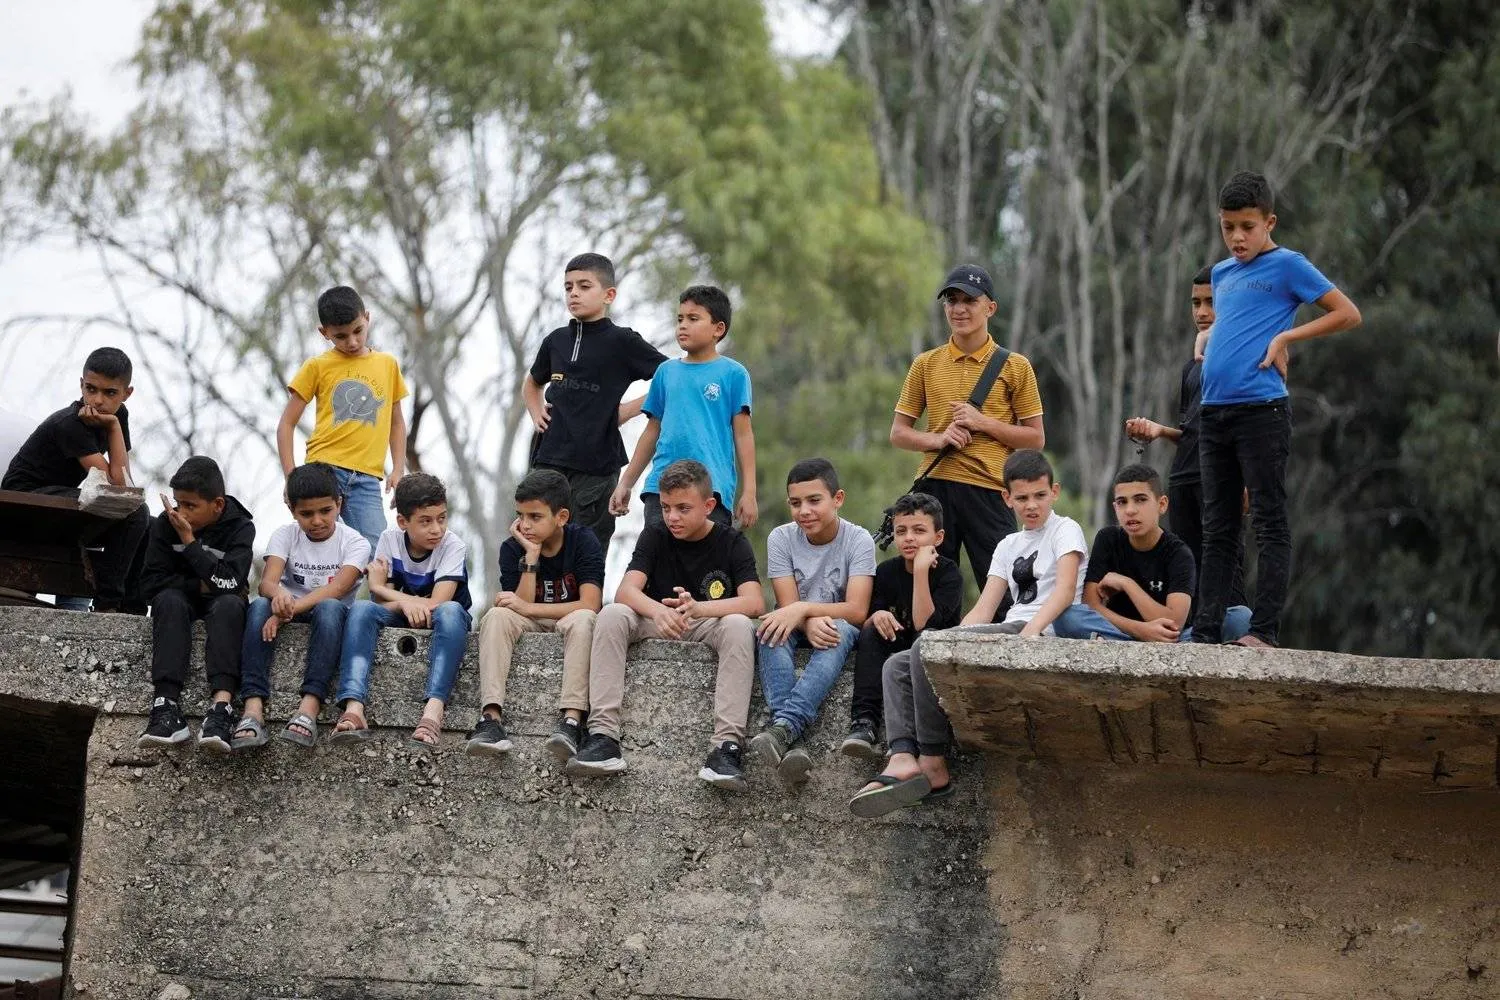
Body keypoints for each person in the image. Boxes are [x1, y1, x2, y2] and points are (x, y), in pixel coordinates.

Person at [1192, 171, 1361, 648]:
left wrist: (1286, 337)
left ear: (1269, 222)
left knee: (1267, 520)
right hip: (1213, 412)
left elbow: (1347, 313)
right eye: (1228, 227)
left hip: (1261, 410)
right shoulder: (1221, 274)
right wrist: (1207, 336)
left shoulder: (1288, 265)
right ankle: (1204, 633)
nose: (1237, 237)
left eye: (1247, 227)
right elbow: (1235, 321)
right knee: (1218, 527)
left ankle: (1263, 631)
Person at [569, 459, 765, 789]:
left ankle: (726, 748)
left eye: (683, 508)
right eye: (665, 507)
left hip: (704, 621)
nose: (672, 517)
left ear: (708, 506)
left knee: (737, 625)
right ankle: (602, 736)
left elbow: (755, 603)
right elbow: (626, 591)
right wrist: (658, 611)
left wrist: (700, 608)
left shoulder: (732, 541)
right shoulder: (656, 533)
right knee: (613, 614)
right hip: (656, 620)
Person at [891, 265, 1045, 588]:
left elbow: (1035, 439)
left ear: (990, 308)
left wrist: (982, 422)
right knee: (931, 588)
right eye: (951, 300)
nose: (959, 309)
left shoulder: (1016, 366)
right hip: (934, 488)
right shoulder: (925, 363)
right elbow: (899, 433)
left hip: (989, 490)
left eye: (969, 300)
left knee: (1004, 590)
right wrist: (939, 439)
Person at [1123, 264, 1254, 612]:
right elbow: (1194, 430)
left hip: (1220, 478)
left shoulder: (1245, 357)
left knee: (1226, 565)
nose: (1202, 312)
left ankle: (1236, 633)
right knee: (1188, 566)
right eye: (1196, 303)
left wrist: (1245, 479)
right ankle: (1194, 633)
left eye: (1212, 302)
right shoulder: (1190, 369)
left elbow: (1246, 428)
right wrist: (1159, 430)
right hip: (1183, 477)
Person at [524, 253, 668, 554]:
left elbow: (671, 376)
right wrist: (536, 412)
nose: (574, 293)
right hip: (548, 461)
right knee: (536, 545)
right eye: (568, 287)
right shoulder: (555, 341)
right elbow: (532, 383)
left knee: (585, 552)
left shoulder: (622, 341)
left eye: (584, 286)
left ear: (608, 295)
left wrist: (628, 411)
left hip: (597, 468)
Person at [749, 458, 876, 789]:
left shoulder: (859, 539)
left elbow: (857, 610)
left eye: (814, 500)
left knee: (840, 629)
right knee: (770, 629)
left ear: (838, 499)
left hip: (838, 627)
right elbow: (786, 606)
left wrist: (806, 610)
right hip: (797, 625)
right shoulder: (781, 538)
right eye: (795, 503)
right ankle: (789, 735)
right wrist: (805, 620)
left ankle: (784, 725)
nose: (804, 511)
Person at [468, 468, 604, 761]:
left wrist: (528, 608)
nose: (525, 525)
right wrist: (530, 556)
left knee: (584, 619)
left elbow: (590, 603)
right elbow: (517, 605)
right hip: (533, 620)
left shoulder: (583, 541)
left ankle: (572, 721)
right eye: (521, 515)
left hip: (570, 618)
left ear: (561, 517)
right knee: (496, 616)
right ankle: (490, 719)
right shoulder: (512, 548)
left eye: (535, 516)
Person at [844, 492, 964, 817]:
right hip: (898, 655)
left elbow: (925, 625)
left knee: (919, 644)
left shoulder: (949, 574)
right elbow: (867, 615)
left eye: (919, 530)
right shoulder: (886, 572)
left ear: (938, 537)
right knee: (872, 631)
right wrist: (877, 615)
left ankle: (911, 757)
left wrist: (921, 572)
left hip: (929, 664)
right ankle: (865, 720)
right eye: (901, 531)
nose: (909, 538)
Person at [3, 347, 148, 611]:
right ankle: (107, 606)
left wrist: (114, 426)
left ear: (127, 394)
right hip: (25, 502)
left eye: (110, 393)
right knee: (135, 512)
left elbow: (123, 484)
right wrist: (113, 425)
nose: (98, 400)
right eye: (91, 389)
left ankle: (130, 609)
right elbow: (116, 488)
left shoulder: (117, 417)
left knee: (146, 521)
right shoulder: (70, 423)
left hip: (59, 501)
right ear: (81, 384)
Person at [333, 473, 472, 749]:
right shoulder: (390, 539)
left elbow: (437, 604)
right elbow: (380, 606)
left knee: (450, 611)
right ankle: (354, 707)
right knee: (361, 609)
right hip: (401, 614)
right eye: (425, 521)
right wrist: (401, 602)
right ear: (403, 522)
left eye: (442, 518)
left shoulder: (453, 545)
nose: (437, 529)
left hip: (444, 621)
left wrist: (380, 587)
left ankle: (433, 711)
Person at [237, 462, 370, 750]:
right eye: (306, 514)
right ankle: (252, 708)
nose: (317, 521)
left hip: (328, 617)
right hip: (287, 609)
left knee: (330, 607)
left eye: (326, 511)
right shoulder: (285, 535)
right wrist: (280, 597)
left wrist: (287, 612)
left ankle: (309, 707)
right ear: (292, 511)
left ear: (339, 504)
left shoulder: (355, 542)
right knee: (259, 607)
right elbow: (267, 584)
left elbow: (337, 588)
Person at [610, 286, 757, 531]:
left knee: (707, 556)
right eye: (680, 319)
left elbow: (743, 435)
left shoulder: (734, 374)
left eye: (693, 318)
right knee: (657, 554)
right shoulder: (666, 372)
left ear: (718, 329)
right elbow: (651, 431)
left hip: (711, 489)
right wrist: (626, 482)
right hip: (661, 489)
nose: (683, 326)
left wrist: (749, 492)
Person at [136, 456, 255, 753]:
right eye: (178, 503)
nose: (181, 513)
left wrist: (190, 544)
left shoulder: (240, 528)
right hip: (182, 601)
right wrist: (200, 584)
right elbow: (150, 585)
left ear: (217, 504)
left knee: (230, 605)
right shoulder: (165, 524)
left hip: (223, 605)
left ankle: (221, 709)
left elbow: (231, 584)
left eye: (191, 505)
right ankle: (166, 706)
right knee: (168, 600)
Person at [1053, 464, 1250, 642]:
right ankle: (1125, 646)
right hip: (1119, 632)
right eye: (1122, 502)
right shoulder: (1108, 539)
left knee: (1240, 617)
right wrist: (1141, 630)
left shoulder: (1178, 553)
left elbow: (1174, 623)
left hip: (1172, 639)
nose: (1130, 510)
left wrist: (1127, 584)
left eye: (1140, 500)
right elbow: (1091, 604)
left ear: (1162, 504)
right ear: (1115, 508)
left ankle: (1118, 646)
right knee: (1066, 616)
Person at [277, 285, 408, 553]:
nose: (352, 342)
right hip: (324, 470)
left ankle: (375, 585)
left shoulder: (387, 364)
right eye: (341, 336)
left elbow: (396, 423)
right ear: (324, 332)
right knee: (323, 548)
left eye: (358, 330)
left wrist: (397, 469)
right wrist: (291, 477)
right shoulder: (317, 366)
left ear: (367, 318)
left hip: (367, 478)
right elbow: (286, 424)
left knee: (376, 551)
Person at [961, 449, 1088, 638]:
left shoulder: (1065, 529)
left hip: (1044, 629)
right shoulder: (1006, 545)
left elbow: (1066, 590)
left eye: (1040, 495)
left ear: (1054, 492)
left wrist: (1031, 630)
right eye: (1022, 498)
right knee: (924, 644)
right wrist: (951, 638)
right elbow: (983, 610)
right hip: (1011, 627)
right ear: (1007, 498)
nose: (1031, 505)